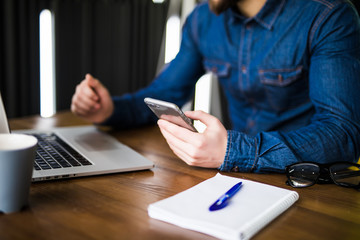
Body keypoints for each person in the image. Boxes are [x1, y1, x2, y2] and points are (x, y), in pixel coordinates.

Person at [71, 0, 360, 173]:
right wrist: (108, 110)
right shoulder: (202, 20)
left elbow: (342, 134)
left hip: (309, 184)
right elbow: (165, 94)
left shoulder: (328, 16)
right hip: (236, 176)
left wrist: (232, 151)